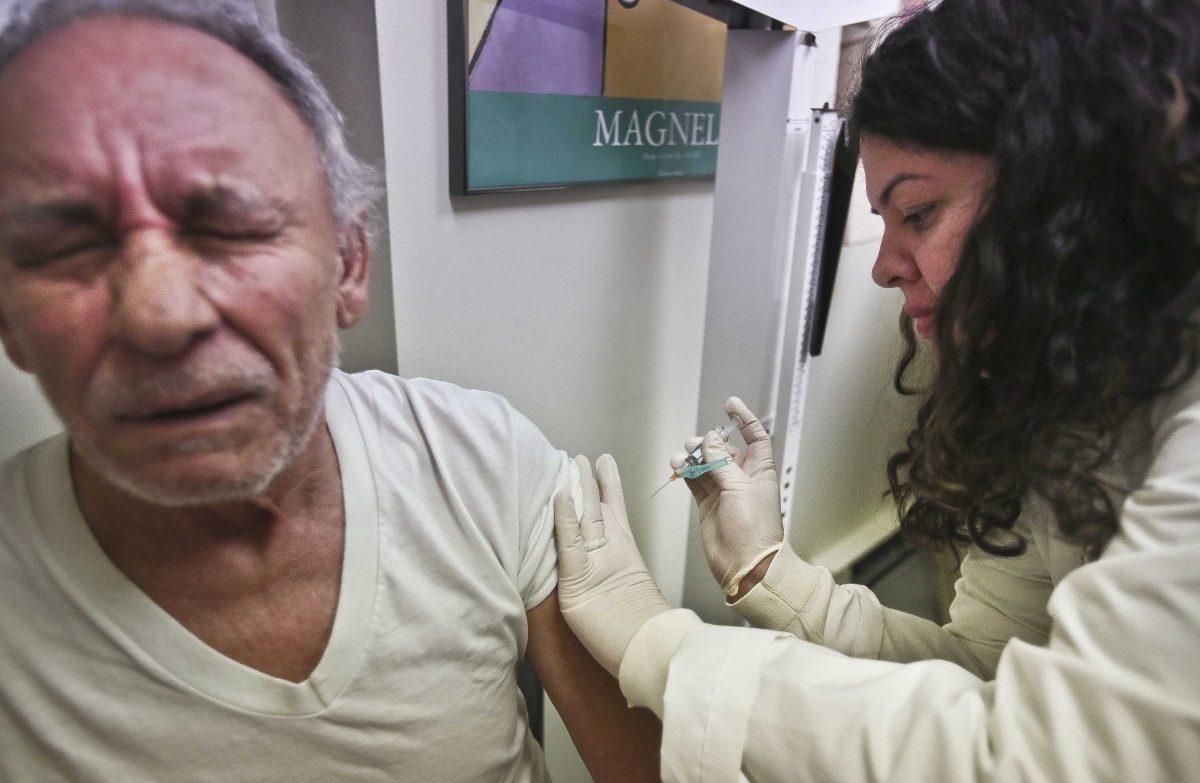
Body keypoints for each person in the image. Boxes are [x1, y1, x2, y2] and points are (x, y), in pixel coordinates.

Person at [0, 1, 661, 780]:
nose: (159, 315)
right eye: (65, 246)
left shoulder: (480, 464)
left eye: (232, 226)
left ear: (349, 266)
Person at [553, 0, 1200, 780]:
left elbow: (1035, 754)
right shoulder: (1072, 397)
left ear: (1064, 192)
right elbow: (979, 668)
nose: (882, 266)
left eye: (919, 212)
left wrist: (656, 641)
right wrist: (771, 572)